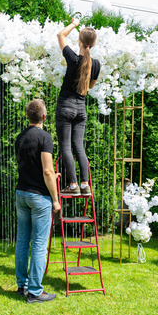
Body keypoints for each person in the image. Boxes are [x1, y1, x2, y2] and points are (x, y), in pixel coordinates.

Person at [15, 99, 61, 304]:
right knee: (40, 245)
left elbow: (32, 166)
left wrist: (52, 175)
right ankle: (34, 292)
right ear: (44, 116)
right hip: (39, 197)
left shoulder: (20, 137)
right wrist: (56, 199)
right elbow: (46, 170)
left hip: (21, 193)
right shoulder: (45, 137)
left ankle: (22, 285)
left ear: (28, 116)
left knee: (23, 241)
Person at [56, 18, 100, 196]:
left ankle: (72, 185)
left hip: (66, 106)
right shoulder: (95, 64)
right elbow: (90, 86)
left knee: (65, 147)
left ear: (79, 41)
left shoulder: (73, 58)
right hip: (80, 109)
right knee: (79, 147)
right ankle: (84, 185)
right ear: (94, 43)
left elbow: (60, 35)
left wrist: (74, 23)